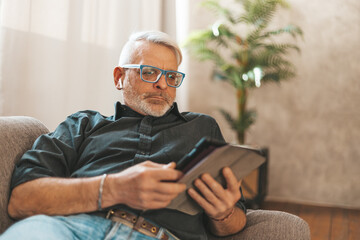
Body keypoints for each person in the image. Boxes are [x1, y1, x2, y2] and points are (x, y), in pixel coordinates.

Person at [1, 31, 247, 240]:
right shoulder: (82, 124)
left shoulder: (201, 127)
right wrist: (114, 188)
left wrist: (223, 214)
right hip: (74, 230)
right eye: (149, 72)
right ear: (119, 78)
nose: (163, 85)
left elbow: (237, 220)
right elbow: (22, 200)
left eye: (171, 76)